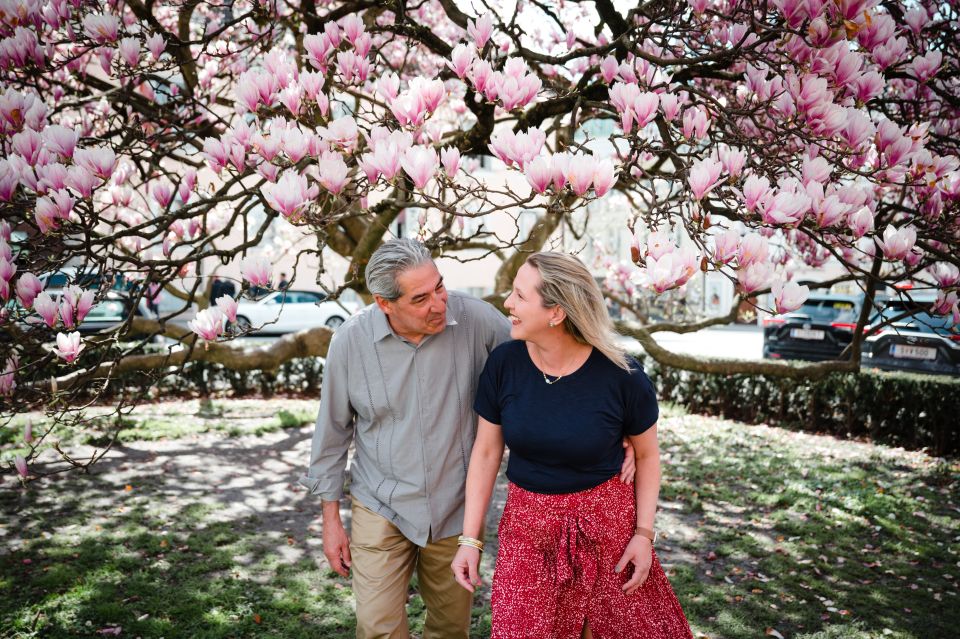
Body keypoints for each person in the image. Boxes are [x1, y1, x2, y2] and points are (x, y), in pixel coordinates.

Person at [452, 252, 692, 639]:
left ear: (556, 313)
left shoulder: (623, 376)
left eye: (519, 295)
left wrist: (643, 536)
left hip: (607, 531)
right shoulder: (504, 364)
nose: (507, 304)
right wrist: (470, 540)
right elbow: (485, 453)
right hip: (528, 533)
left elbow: (647, 457)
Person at [298, 238, 513, 639]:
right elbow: (331, 436)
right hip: (381, 503)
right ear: (385, 303)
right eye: (420, 298)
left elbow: (542, 367)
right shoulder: (350, 341)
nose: (438, 304)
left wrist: (611, 428)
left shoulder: (481, 322)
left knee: (450, 630)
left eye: (440, 287)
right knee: (377, 628)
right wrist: (330, 520)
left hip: (456, 507)